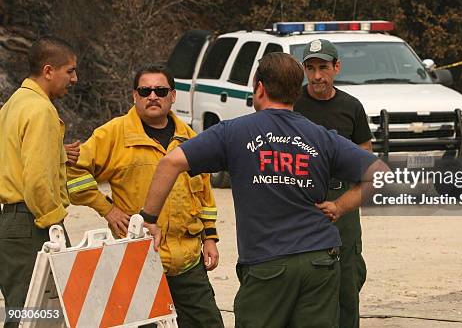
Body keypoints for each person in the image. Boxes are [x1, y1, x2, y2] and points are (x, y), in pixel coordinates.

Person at [140, 52, 388, 328]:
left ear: (259, 87)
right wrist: (340, 206)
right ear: (296, 90)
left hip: (268, 264)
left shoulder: (233, 132)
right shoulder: (321, 136)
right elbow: (381, 175)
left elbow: (170, 163)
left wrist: (150, 219)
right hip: (320, 260)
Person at [66, 64, 223, 328]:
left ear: (173, 96)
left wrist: (210, 238)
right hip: (138, 260)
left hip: (187, 262)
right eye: (145, 90)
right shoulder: (114, 134)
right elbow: (74, 170)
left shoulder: (189, 138)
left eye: (160, 90)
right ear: (134, 96)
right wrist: (107, 210)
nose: (153, 96)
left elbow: (204, 193)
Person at [293, 39, 372, 328]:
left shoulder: (351, 106)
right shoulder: (293, 104)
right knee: (302, 278)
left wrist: (348, 199)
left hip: (342, 202)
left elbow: (365, 157)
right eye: (310, 68)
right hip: (300, 200)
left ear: (336, 67)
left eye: (323, 68)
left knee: (347, 279)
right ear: (303, 70)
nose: (317, 76)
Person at [0, 36, 78, 327]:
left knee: (25, 312)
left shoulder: (13, 104)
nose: (74, 78)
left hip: (12, 222)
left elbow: (14, 159)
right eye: (69, 71)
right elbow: (36, 182)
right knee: (31, 318)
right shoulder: (42, 110)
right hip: (33, 222)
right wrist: (56, 223)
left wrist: (58, 151)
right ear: (48, 71)